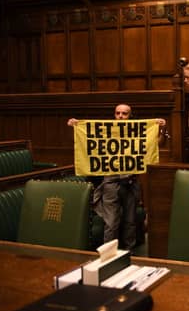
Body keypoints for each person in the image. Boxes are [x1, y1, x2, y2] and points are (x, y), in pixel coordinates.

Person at [67, 104, 166, 251]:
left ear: (130, 116)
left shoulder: (137, 132)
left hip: (131, 183)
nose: (120, 116)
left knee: (130, 221)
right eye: (117, 113)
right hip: (110, 183)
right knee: (111, 222)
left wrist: (161, 129)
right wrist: (75, 127)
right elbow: (86, 143)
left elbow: (156, 144)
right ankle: (108, 255)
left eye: (124, 114)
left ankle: (129, 252)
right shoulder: (107, 132)